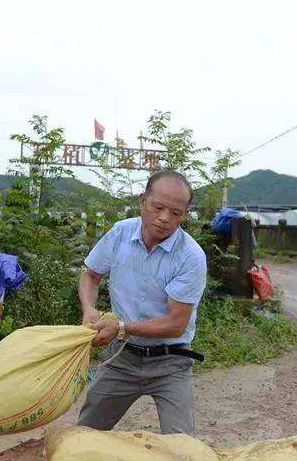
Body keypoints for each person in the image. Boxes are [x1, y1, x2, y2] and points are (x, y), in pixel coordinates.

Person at [77, 170, 208, 435]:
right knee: (85, 435)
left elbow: (175, 324)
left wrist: (122, 327)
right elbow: (90, 274)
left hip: (171, 363)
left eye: (176, 213)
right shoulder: (120, 234)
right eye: (158, 207)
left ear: (185, 214)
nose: (164, 218)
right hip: (121, 356)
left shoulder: (191, 256)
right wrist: (89, 309)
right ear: (142, 201)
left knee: (181, 446)